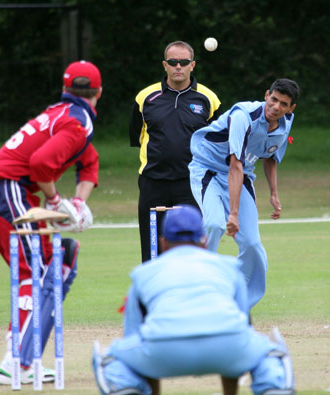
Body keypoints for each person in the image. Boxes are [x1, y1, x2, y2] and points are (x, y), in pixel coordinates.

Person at [0, 60, 102, 385]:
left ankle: (22, 357)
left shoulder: (61, 113)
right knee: (39, 271)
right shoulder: (78, 120)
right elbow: (42, 164)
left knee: (40, 267)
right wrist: (57, 202)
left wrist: (79, 202)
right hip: (7, 190)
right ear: (99, 92)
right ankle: (17, 360)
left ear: (65, 89)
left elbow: (89, 160)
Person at [92, 205, 295, 395]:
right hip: (228, 344)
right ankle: (273, 386)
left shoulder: (143, 274)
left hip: (162, 349)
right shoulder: (229, 268)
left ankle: (125, 387)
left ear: (163, 243)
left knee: (110, 359)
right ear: (205, 240)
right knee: (272, 351)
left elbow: (134, 337)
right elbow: (242, 327)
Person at [188, 78, 299, 309]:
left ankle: (238, 306)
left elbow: (269, 156)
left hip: (242, 176)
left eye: (283, 104)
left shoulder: (285, 123)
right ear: (267, 94)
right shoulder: (243, 116)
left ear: (291, 108)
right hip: (208, 169)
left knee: (252, 244)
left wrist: (274, 193)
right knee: (215, 225)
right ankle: (198, 293)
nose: (276, 106)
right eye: (274, 99)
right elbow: (235, 165)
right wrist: (234, 214)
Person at [129, 40, 221, 263]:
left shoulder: (209, 99)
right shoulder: (145, 98)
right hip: (153, 182)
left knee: (191, 250)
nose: (178, 66)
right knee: (151, 252)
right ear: (164, 65)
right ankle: (153, 297)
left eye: (183, 62)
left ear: (192, 65)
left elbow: (218, 144)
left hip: (191, 184)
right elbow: (137, 138)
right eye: (173, 62)